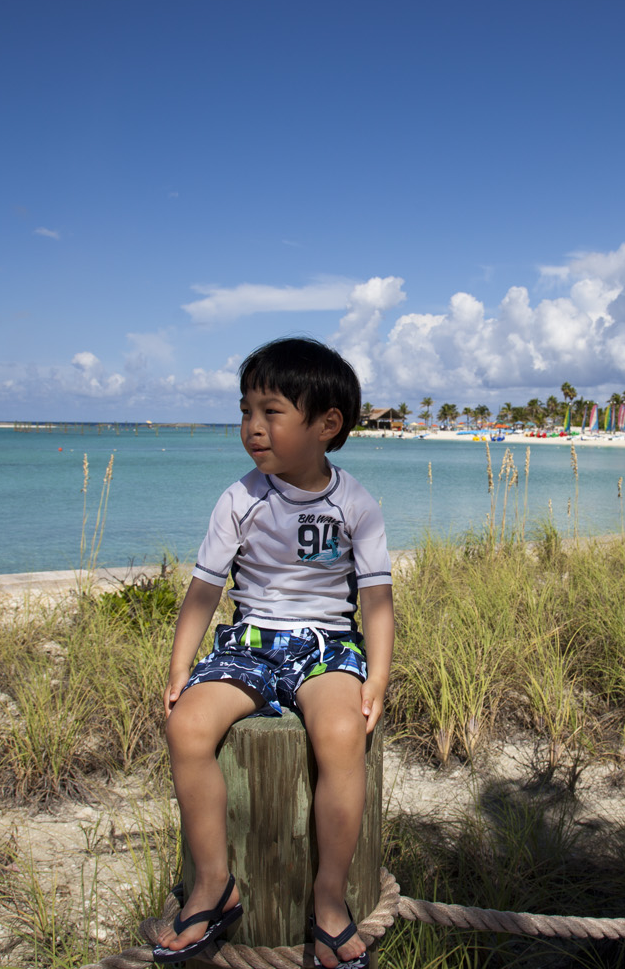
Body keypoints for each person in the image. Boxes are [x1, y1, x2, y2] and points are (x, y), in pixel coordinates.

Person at [152, 337, 394, 969]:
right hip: (251, 644)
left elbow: (376, 599)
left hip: (325, 646)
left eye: (271, 412)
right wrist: (180, 666)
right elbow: (205, 589)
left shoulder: (355, 504)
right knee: (187, 727)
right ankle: (214, 883)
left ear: (326, 425)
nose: (252, 427)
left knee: (340, 733)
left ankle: (330, 898)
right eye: (245, 411)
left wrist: (378, 676)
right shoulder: (240, 499)